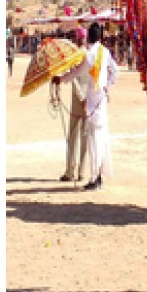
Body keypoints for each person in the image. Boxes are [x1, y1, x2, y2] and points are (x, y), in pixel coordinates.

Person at [55, 22, 119, 190]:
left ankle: (95, 178)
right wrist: (107, 85)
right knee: (100, 138)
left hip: (93, 101)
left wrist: (60, 79)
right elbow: (115, 71)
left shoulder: (91, 55)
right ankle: (97, 176)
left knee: (94, 140)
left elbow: (76, 73)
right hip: (101, 100)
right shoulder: (104, 52)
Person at [60, 67, 89, 183]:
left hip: (79, 103)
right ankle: (81, 171)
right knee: (84, 137)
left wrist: (82, 99)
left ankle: (70, 171)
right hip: (90, 101)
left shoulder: (78, 56)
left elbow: (74, 80)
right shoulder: (95, 54)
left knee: (73, 137)